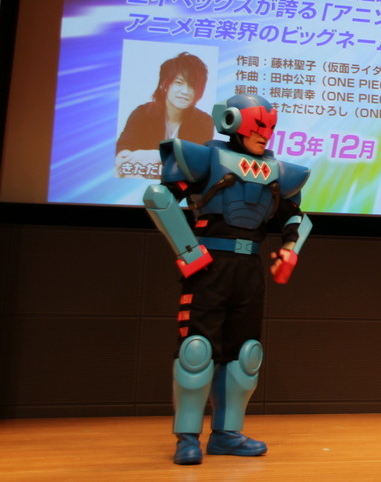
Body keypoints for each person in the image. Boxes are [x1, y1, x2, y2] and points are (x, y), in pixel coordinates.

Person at [144, 94, 312, 465]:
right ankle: (187, 436)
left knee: (245, 354)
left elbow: (295, 216)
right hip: (209, 266)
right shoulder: (205, 159)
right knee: (196, 350)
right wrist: (188, 250)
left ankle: (227, 433)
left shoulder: (279, 172)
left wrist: (290, 249)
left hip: (249, 268)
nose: (264, 134)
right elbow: (159, 196)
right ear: (233, 122)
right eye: (257, 126)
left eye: (269, 128)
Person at [116, 52, 214, 178]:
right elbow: (125, 145)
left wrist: (157, 155)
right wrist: (124, 156)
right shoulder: (143, 113)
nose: (185, 91)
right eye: (179, 82)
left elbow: (198, 160)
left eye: (192, 85)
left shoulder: (204, 122)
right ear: (165, 84)